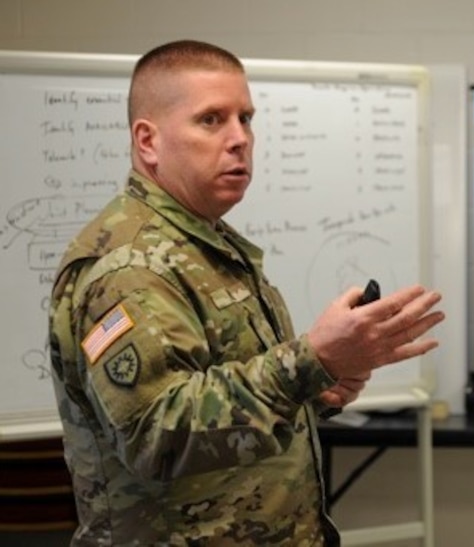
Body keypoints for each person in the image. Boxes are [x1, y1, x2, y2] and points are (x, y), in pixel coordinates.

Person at [48, 39, 445, 546]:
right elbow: (158, 437)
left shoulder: (208, 244)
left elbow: (227, 393)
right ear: (148, 141)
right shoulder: (127, 265)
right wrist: (310, 358)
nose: (240, 139)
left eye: (246, 119)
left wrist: (316, 385)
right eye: (211, 120)